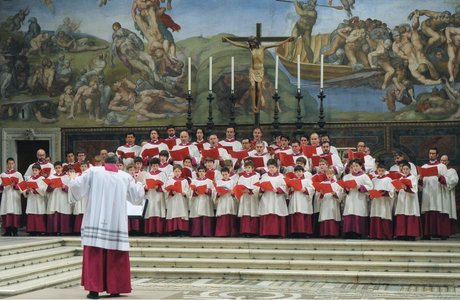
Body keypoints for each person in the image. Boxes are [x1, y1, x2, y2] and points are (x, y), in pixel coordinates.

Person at [68, 155, 144, 299]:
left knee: (94, 255)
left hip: (95, 221)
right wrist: (139, 182)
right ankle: (115, 289)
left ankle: (94, 291)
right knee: (115, 254)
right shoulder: (125, 177)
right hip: (116, 222)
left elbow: (77, 187)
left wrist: (72, 178)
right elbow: (136, 198)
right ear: (117, 163)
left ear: (104, 163)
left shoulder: (93, 172)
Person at [223, 36, 294, 114]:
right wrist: (228, 40)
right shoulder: (251, 49)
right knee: (253, 87)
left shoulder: (262, 48)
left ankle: (259, 104)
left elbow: (275, 44)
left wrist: (286, 40)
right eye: (250, 43)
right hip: (252, 71)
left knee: (259, 88)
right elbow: (239, 45)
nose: (251, 45)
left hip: (259, 71)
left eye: (252, 43)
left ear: (255, 42)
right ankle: (255, 106)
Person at [419, 147, 449, 239]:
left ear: (437, 155)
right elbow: (420, 184)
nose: (431, 155)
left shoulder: (442, 166)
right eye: (430, 153)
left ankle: (441, 234)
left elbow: (448, 181)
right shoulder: (424, 167)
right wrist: (420, 179)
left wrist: (440, 176)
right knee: (428, 212)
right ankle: (427, 234)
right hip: (427, 193)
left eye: (433, 153)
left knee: (438, 211)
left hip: (438, 193)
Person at [342, 159, 373, 239]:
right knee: (350, 213)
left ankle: (359, 233)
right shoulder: (346, 177)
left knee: (359, 213)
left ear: (361, 166)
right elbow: (342, 188)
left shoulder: (364, 176)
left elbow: (370, 187)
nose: (354, 168)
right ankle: (349, 233)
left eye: (356, 166)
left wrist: (360, 187)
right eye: (352, 166)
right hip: (350, 198)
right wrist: (346, 189)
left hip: (360, 199)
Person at [258, 159, 288, 238]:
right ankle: (266, 232)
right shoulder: (264, 176)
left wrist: (278, 189)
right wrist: (262, 189)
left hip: (277, 197)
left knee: (277, 212)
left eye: (273, 167)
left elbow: (285, 186)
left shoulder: (281, 176)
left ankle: (278, 233)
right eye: (269, 167)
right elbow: (260, 186)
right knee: (267, 212)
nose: (271, 169)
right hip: (267, 197)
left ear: (277, 167)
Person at [394, 161, 422, 240]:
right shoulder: (401, 178)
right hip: (402, 199)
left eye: (407, 169)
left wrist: (406, 187)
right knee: (402, 214)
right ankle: (401, 234)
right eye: (404, 169)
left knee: (410, 213)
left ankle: (411, 234)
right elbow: (398, 189)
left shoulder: (412, 177)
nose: (405, 171)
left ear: (410, 169)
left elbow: (414, 189)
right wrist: (396, 188)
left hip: (410, 199)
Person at [287, 165, 314, 237]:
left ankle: (304, 232)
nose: (298, 173)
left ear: (303, 172)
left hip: (303, 200)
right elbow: (287, 192)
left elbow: (312, 189)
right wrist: (291, 190)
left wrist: (305, 190)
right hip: (295, 200)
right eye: (296, 172)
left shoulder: (307, 180)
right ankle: (294, 232)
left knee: (303, 214)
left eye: (300, 171)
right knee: (295, 214)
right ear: (294, 173)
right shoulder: (292, 180)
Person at [369, 163, 395, 240]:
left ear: (385, 171)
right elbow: (371, 190)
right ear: (377, 171)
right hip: (376, 201)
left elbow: (391, 191)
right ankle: (375, 234)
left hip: (384, 201)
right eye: (379, 170)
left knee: (384, 216)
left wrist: (384, 192)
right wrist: (371, 194)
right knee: (376, 216)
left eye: (382, 171)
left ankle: (385, 235)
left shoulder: (388, 180)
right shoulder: (374, 180)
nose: (380, 172)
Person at [143, 158, 167, 236]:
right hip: (150, 195)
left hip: (158, 195)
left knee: (157, 211)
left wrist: (159, 187)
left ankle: (158, 231)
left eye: (156, 165)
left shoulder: (162, 174)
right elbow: (143, 184)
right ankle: (150, 231)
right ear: (151, 166)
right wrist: (146, 187)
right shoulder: (147, 174)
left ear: (159, 165)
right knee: (150, 211)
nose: (155, 167)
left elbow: (165, 185)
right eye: (153, 165)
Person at [164, 164, 190, 235]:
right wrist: (171, 192)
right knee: (173, 213)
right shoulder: (170, 180)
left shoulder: (184, 181)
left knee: (181, 214)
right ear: (173, 172)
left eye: (178, 171)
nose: (177, 173)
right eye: (175, 171)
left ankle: (182, 230)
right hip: (173, 199)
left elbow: (187, 189)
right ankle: (173, 230)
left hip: (181, 199)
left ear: (181, 172)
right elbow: (166, 190)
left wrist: (184, 192)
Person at [189, 165, 215, 237]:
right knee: (197, 215)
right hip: (197, 200)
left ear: (205, 172)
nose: (201, 173)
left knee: (206, 215)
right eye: (200, 171)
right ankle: (196, 233)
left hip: (206, 201)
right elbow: (189, 192)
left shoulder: (209, 181)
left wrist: (208, 191)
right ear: (197, 172)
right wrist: (194, 193)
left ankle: (206, 233)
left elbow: (214, 191)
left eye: (203, 171)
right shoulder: (194, 181)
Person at [317, 166, 343, 238]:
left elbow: (340, 194)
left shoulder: (337, 184)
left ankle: (333, 233)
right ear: (325, 174)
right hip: (325, 203)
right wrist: (321, 194)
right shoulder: (322, 183)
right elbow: (318, 196)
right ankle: (324, 233)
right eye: (328, 173)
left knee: (333, 216)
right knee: (325, 216)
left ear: (333, 174)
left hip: (333, 203)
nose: (329, 175)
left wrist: (335, 194)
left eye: (331, 174)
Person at [0, 158, 24, 236]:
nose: (10, 165)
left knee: (15, 212)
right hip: (6, 195)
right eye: (9, 163)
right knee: (6, 211)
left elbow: (22, 187)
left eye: (12, 163)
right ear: (7, 164)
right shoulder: (2, 175)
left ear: (14, 164)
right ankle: (7, 231)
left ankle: (15, 230)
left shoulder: (18, 174)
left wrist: (16, 186)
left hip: (14, 195)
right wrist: (1, 185)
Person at [214, 167, 238, 237]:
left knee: (230, 215)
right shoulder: (219, 182)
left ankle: (231, 233)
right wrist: (217, 194)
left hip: (230, 199)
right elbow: (215, 191)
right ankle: (221, 233)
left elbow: (236, 192)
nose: (225, 176)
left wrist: (233, 193)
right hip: (222, 200)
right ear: (221, 174)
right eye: (223, 174)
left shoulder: (232, 182)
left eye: (226, 174)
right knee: (222, 215)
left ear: (229, 174)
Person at [439, 155, 458, 237]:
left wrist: (442, 178)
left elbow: (454, 181)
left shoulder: (452, 171)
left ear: (448, 162)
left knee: (447, 211)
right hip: (439, 195)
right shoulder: (437, 171)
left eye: (445, 161)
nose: (443, 162)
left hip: (447, 195)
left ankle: (446, 232)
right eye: (441, 160)